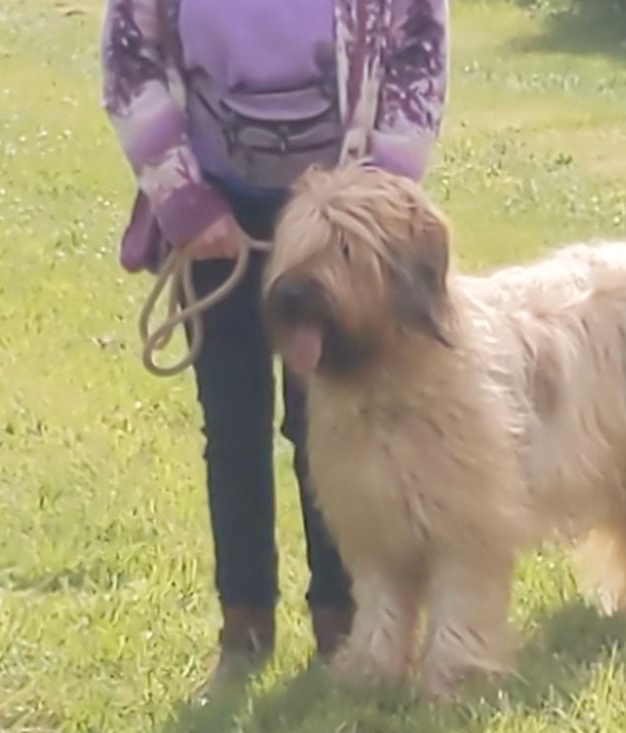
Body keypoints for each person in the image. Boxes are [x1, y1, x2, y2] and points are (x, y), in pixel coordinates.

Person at [99, 0, 449, 699]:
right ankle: (244, 629)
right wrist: (184, 201)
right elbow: (128, 62)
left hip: (339, 221)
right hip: (216, 209)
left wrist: (373, 198)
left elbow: (419, 48)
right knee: (232, 428)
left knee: (333, 421)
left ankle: (343, 627)